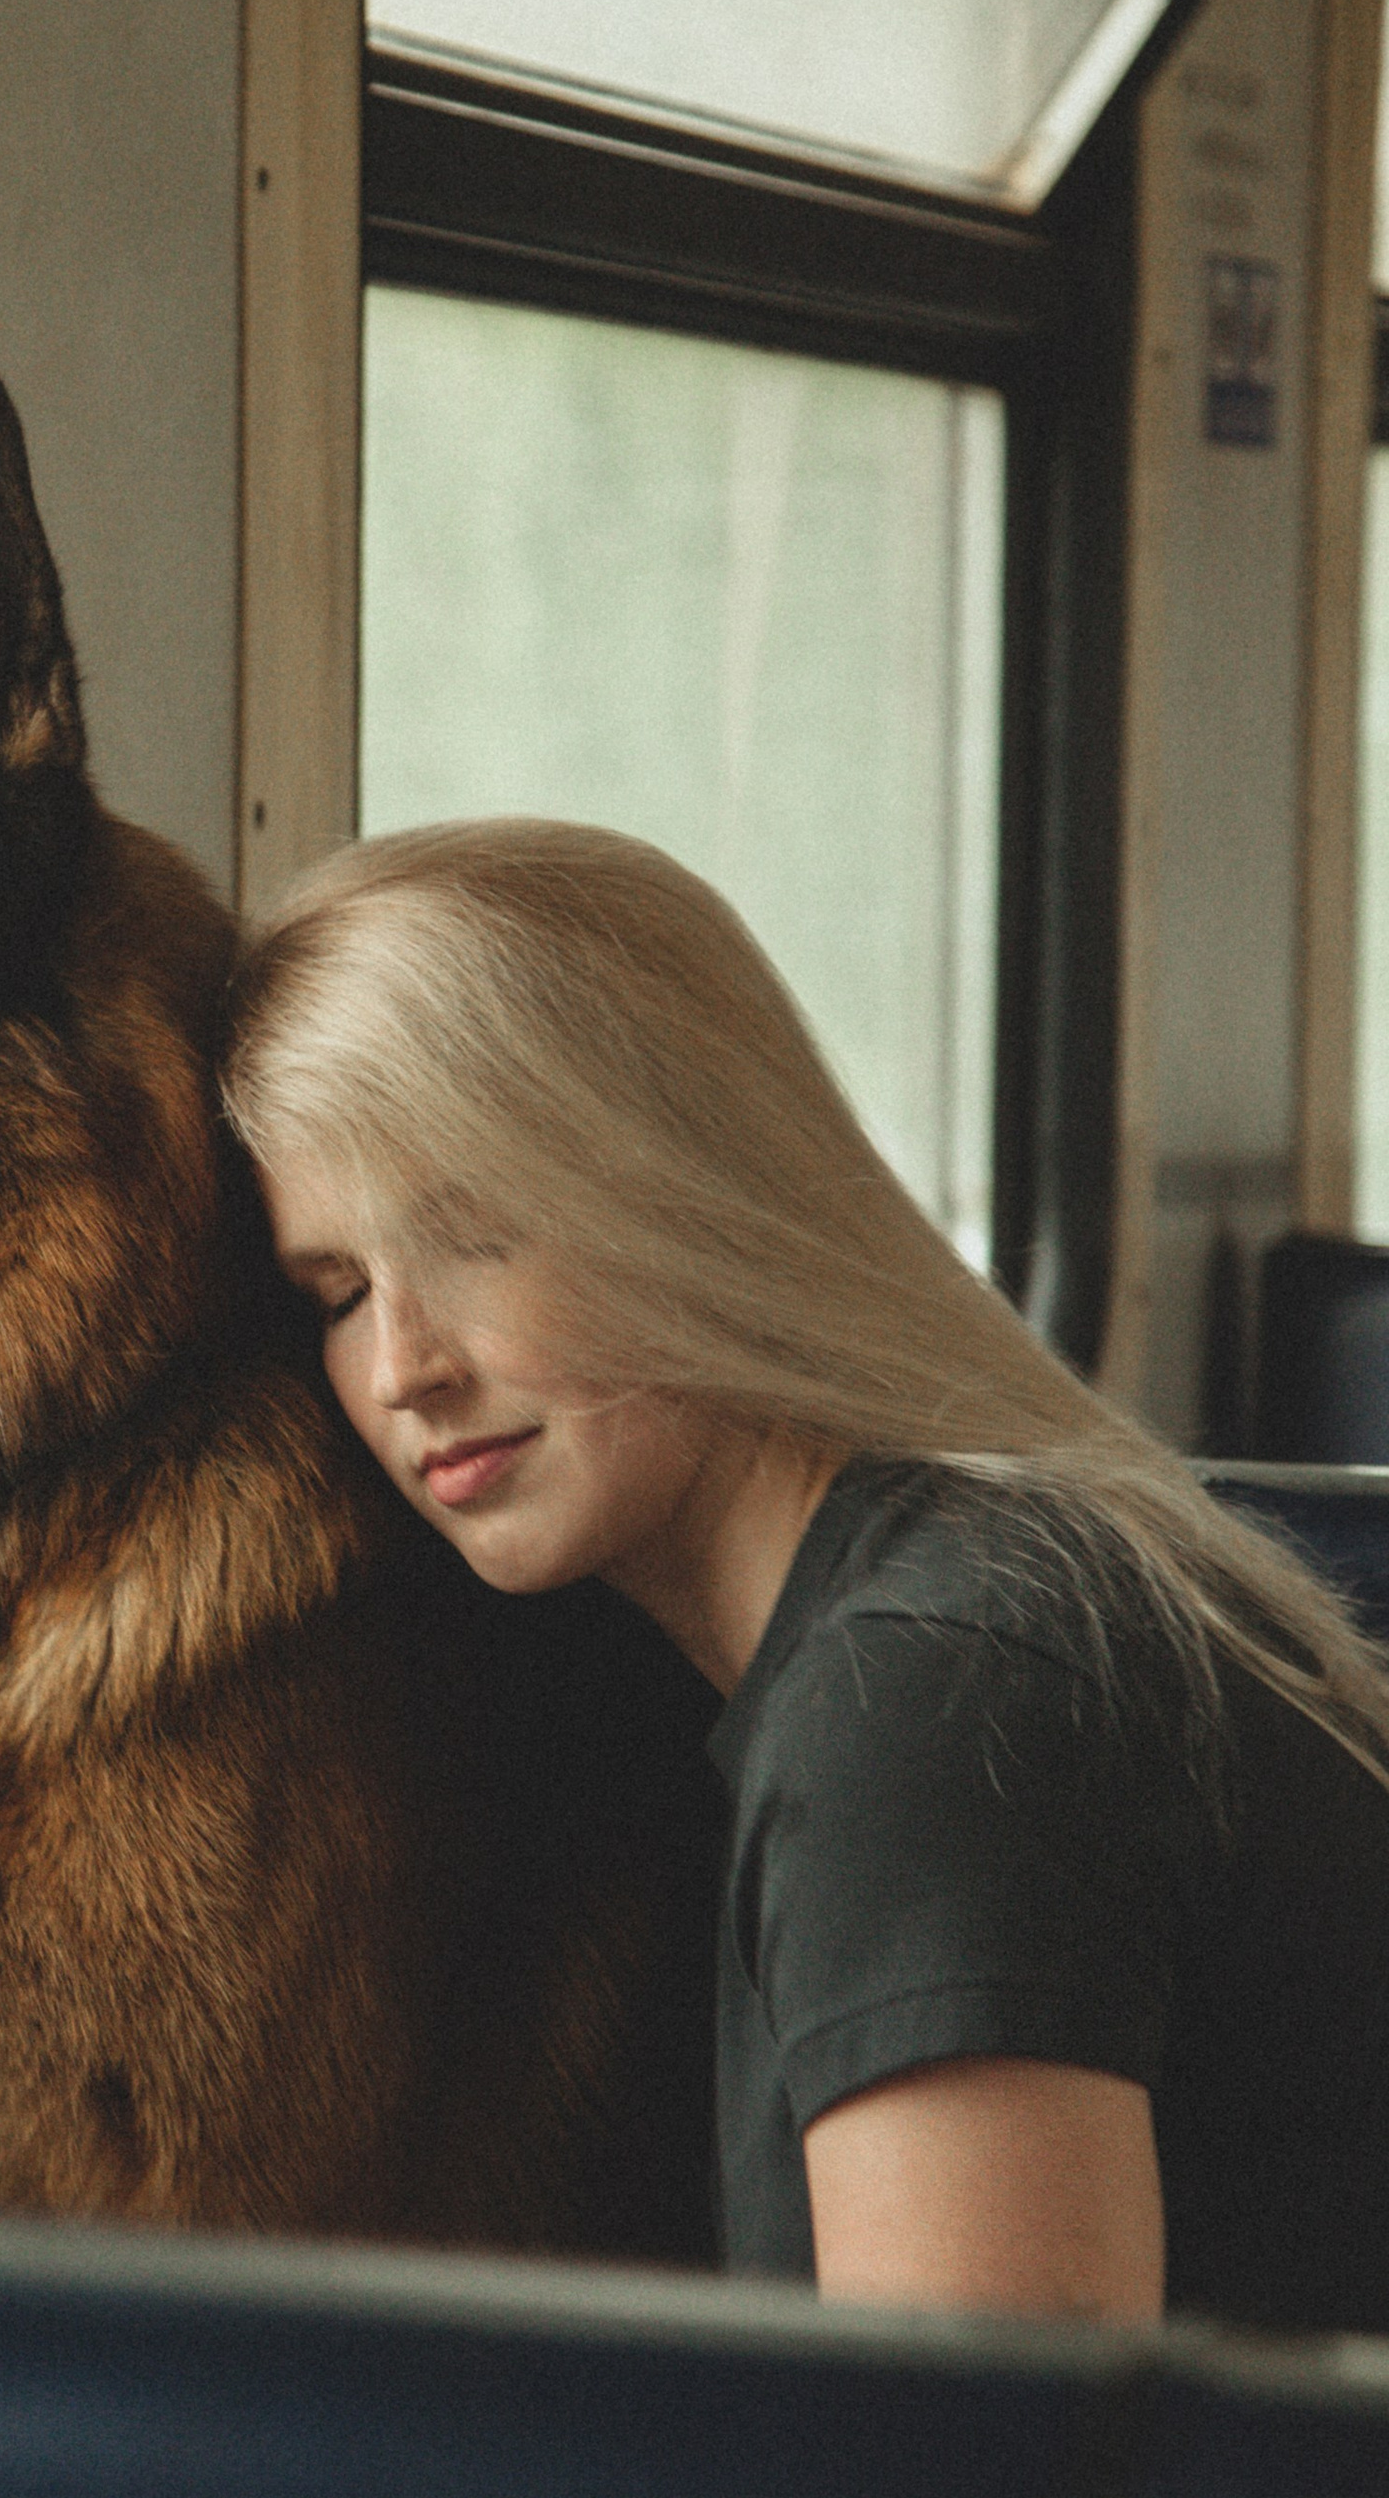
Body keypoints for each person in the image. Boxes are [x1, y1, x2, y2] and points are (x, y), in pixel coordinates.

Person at [218, 817, 1389, 2331]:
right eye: (340, 1292)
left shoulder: (933, 1683)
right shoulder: (945, 1585)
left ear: (694, 1184)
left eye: (477, 1235)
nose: (404, 1368)